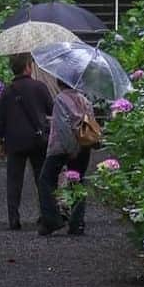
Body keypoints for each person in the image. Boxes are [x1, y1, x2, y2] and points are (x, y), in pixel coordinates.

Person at [0, 53, 53, 230]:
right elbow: (51, 109)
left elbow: (1, 119)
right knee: (41, 179)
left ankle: (13, 217)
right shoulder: (39, 87)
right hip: (37, 140)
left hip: (15, 141)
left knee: (14, 181)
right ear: (28, 67)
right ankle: (46, 214)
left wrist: (0, 141)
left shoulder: (8, 90)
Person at [38, 79, 95, 237]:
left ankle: (52, 220)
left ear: (59, 82)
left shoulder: (60, 100)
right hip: (84, 146)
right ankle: (77, 224)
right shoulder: (84, 99)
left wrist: (71, 149)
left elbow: (63, 126)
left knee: (45, 180)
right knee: (77, 181)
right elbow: (90, 123)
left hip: (61, 147)